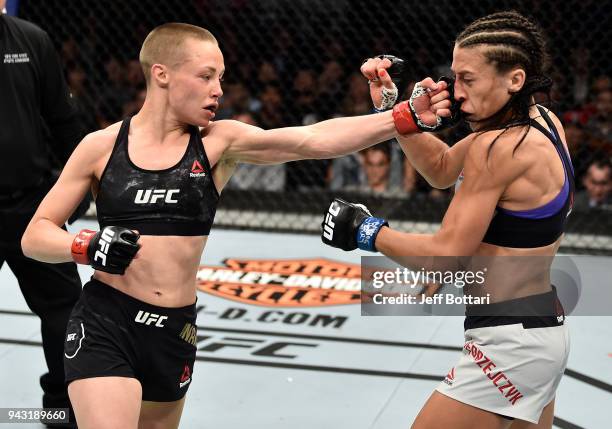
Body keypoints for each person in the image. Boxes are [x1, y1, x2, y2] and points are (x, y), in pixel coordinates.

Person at [20, 23, 441, 429]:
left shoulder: (218, 142)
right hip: (105, 321)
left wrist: (404, 116)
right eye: (205, 76)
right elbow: (36, 234)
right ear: (161, 74)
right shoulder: (101, 146)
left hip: (173, 328)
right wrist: (88, 245)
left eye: (220, 77)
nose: (218, 90)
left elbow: (312, 140)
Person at [322, 11, 572, 429]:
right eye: (455, 76)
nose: (455, 92)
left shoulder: (497, 148)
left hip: (509, 344)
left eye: (467, 80)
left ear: (514, 79)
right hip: (541, 332)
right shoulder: (543, 124)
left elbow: (444, 260)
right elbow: (440, 168)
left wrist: (365, 231)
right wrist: (396, 113)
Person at [0, 3, 84, 426]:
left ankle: (62, 407)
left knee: (66, 308)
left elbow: (63, 120)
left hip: (28, 201)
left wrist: (81, 186)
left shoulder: (30, 40)